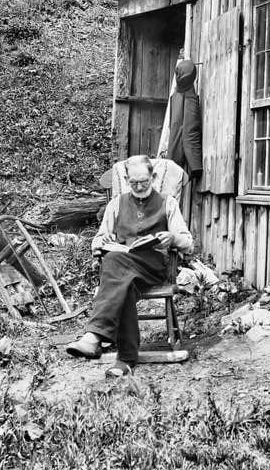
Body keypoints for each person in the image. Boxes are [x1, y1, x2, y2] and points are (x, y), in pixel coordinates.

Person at [65, 155, 193, 376]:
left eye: (144, 181)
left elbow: (188, 242)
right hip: (124, 269)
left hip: (153, 268)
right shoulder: (117, 204)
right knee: (120, 277)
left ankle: (94, 335)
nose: (140, 186)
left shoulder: (167, 202)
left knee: (114, 264)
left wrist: (171, 238)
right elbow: (98, 240)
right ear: (126, 179)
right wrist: (102, 242)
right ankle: (125, 360)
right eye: (134, 182)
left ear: (153, 177)